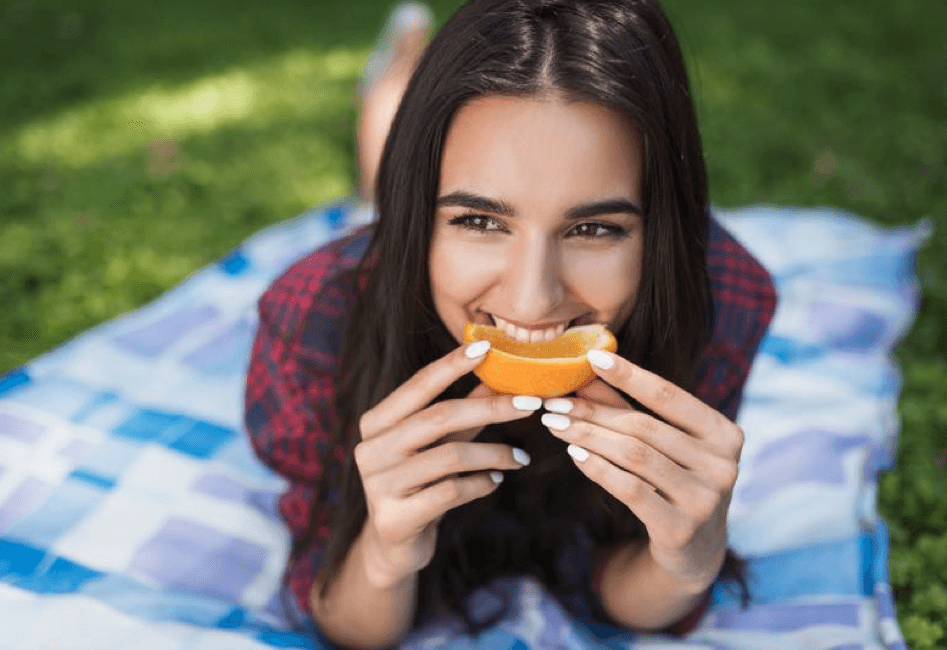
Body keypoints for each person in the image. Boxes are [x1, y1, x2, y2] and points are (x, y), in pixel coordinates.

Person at [245, 1, 777, 648]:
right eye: (477, 220)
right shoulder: (312, 318)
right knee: (379, 168)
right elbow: (347, 621)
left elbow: (622, 591)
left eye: (594, 228)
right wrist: (383, 551)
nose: (530, 301)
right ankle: (405, 54)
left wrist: (688, 558)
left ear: (661, 227)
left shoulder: (724, 298)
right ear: (425, 217)